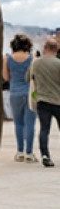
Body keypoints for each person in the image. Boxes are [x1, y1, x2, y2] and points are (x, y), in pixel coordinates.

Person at [3, 33, 36, 162]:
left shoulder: (7, 59)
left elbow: (6, 77)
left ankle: (20, 151)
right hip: (30, 93)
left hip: (15, 92)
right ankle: (29, 152)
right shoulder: (32, 58)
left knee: (18, 123)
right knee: (30, 123)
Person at [30, 37, 60, 168]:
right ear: (56, 49)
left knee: (44, 129)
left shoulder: (36, 63)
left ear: (45, 48)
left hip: (42, 100)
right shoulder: (58, 63)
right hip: (58, 100)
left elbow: (28, 78)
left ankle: (45, 155)